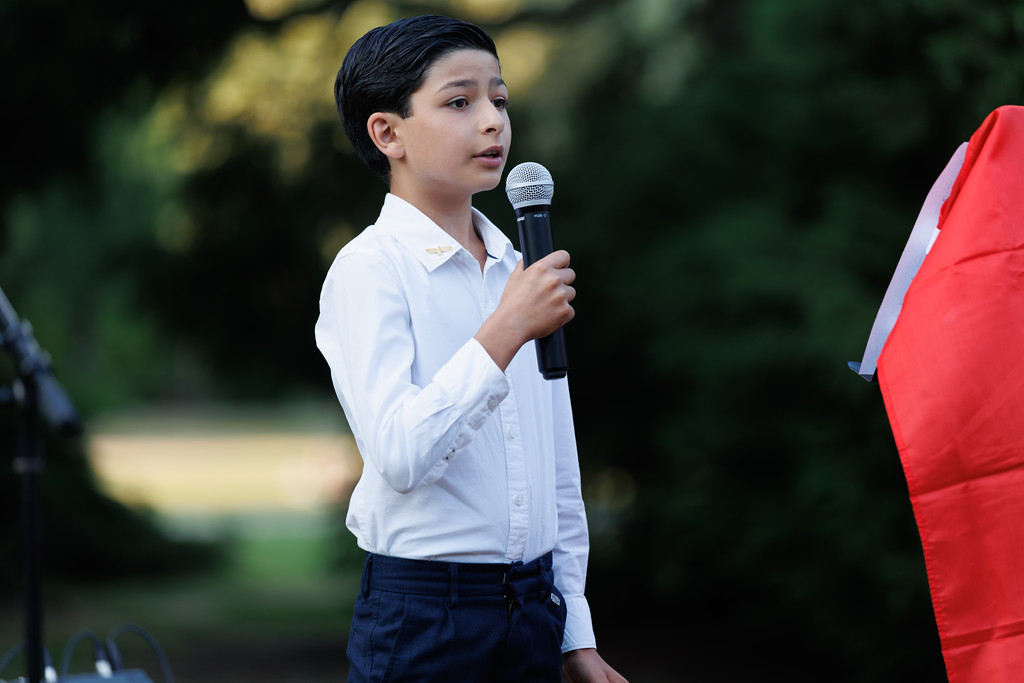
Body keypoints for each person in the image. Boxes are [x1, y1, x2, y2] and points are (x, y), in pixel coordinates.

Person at [315, 14, 628, 683]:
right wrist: (505, 329)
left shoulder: (520, 266)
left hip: (534, 611)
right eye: (460, 102)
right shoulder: (369, 270)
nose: (493, 122)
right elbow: (399, 455)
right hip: (426, 619)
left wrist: (575, 632)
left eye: (500, 100)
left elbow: (558, 470)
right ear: (388, 133)